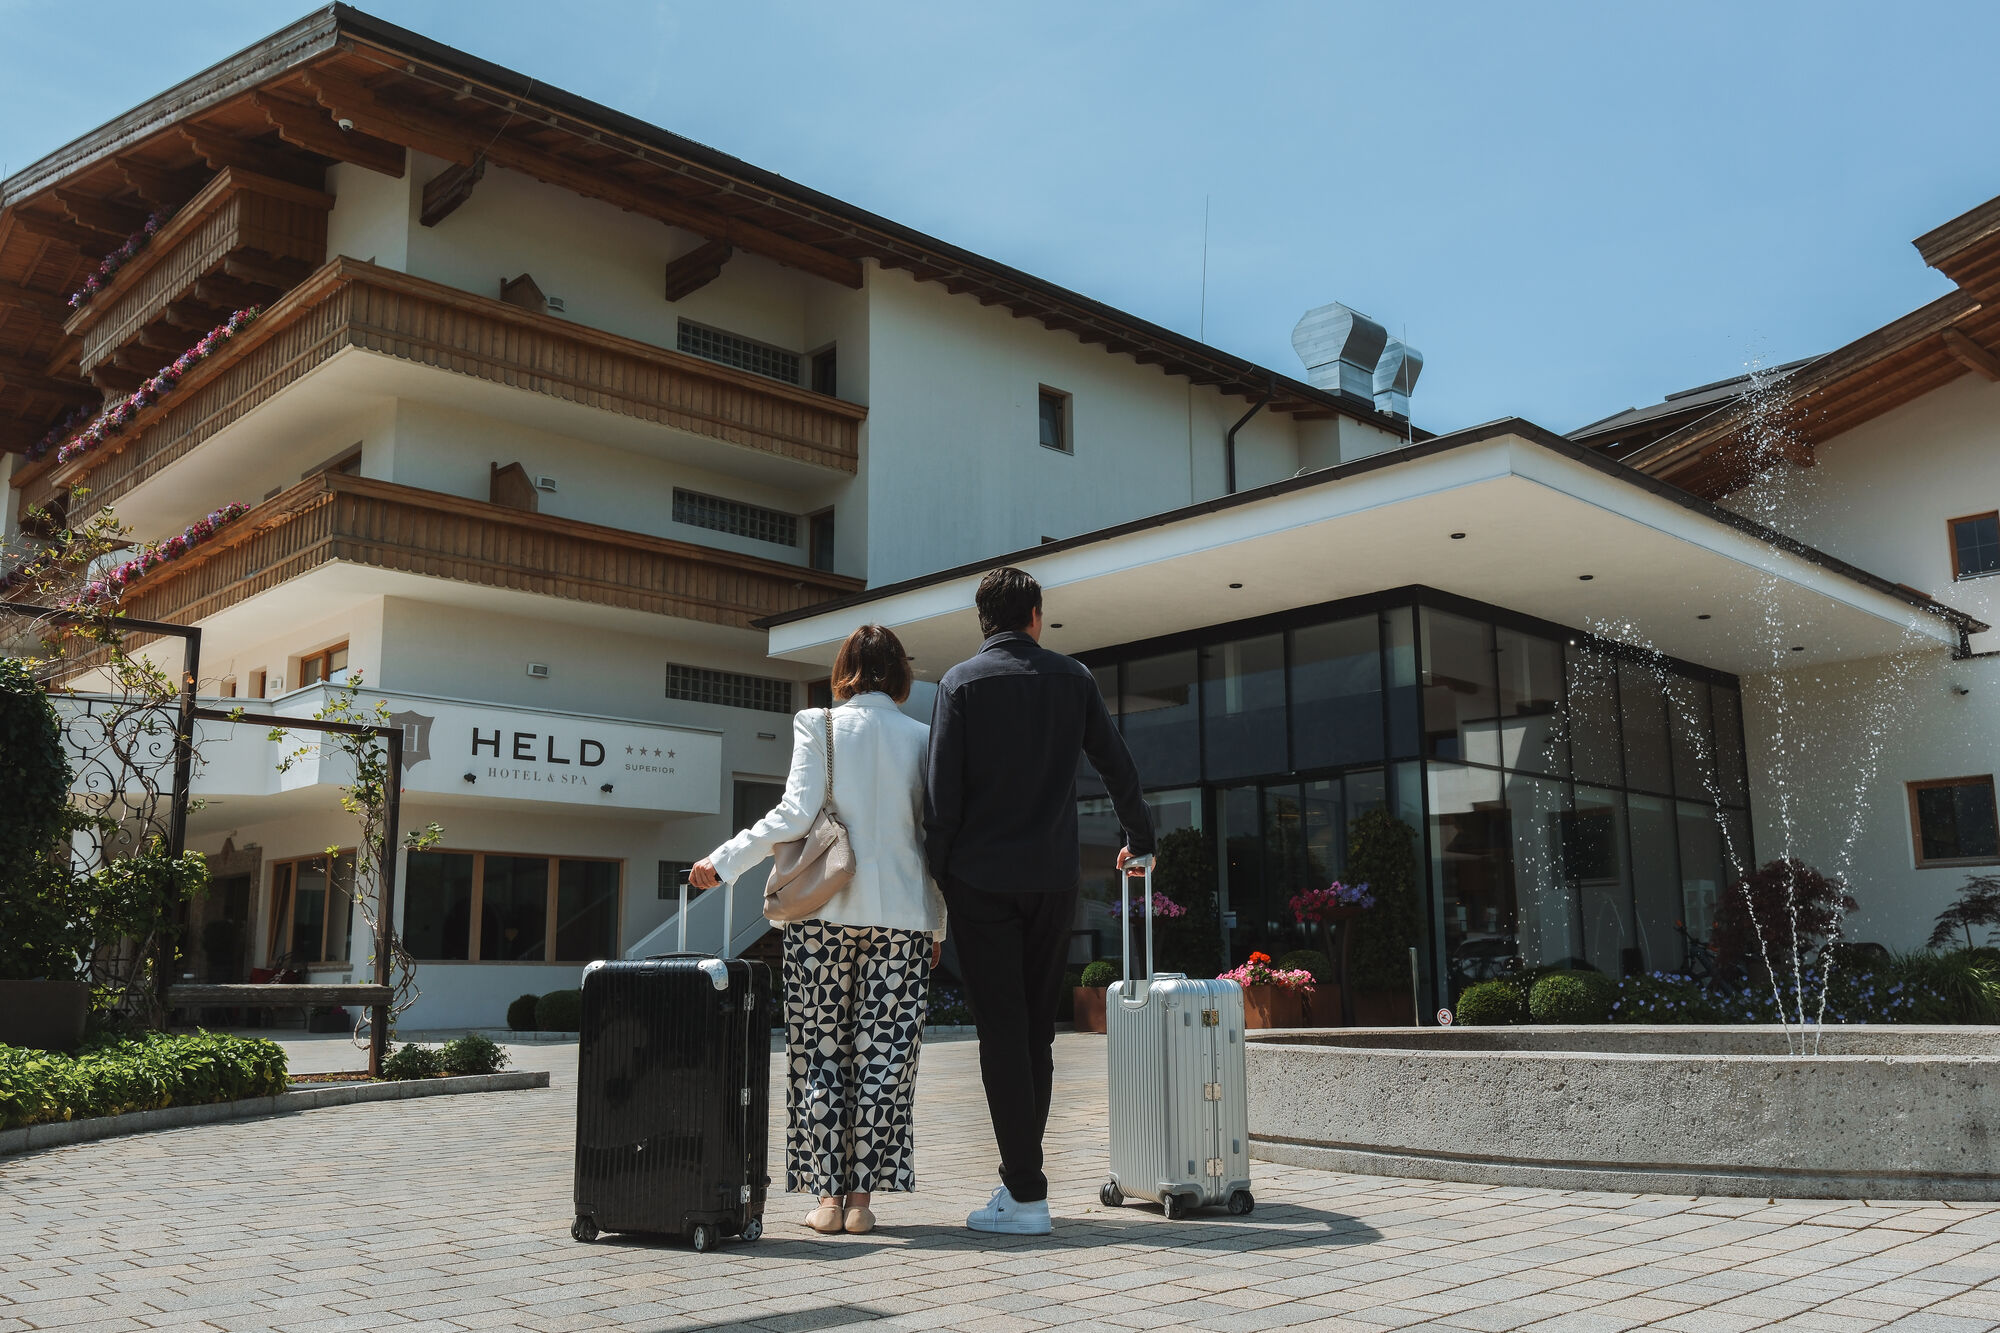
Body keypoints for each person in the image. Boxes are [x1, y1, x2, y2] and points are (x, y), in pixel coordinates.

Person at [690, 624, 944, 1238]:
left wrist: (724, 862)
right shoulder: (923, 736)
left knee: (820, 1053)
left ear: (844, 669)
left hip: (821, 916)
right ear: (900, 673)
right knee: (886, 1058)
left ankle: (827, 1201)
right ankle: (861, 1202)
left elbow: (795, 814)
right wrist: (938, 924)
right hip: (903, 919)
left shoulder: (818, 725)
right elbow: (933, 835)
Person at [924, 566, 1153, 1236]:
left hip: (981, 881)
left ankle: (1025, 1193)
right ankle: (1021, 1185)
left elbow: (942, 796)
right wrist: (1140, 839)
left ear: (983, 621)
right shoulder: (1073, 678)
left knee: (1001, 1033)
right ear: (1035, 616)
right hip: (1053, 879)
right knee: (1035, 1034)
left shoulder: (960, 683)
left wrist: (940, 879)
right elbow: (1117, 763)